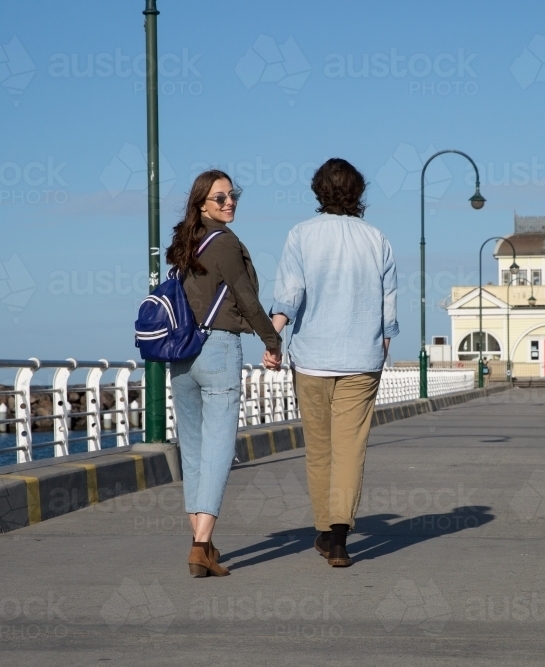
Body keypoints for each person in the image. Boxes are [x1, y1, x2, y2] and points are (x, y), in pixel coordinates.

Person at [269, 158, 397, 567]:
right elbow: (387, 303)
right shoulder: (377, 239)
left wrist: (273, 335)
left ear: (317, 190)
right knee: (350, 449)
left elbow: (291, 293)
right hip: (362, 357)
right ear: (358, 192)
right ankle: (339, 539)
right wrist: (384, 342)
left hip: (312, 358)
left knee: (319, 449)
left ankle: (324, 530)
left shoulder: (301, 235)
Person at [166, 169, 283, 577]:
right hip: (217, 349)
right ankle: (200, 546)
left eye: (233, 195)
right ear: (202, 204)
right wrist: (273, 342)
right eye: (220, 198)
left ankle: (204, 543)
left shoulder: (184, 242)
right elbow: (247, 301)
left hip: (180, 354)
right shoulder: (226, 243)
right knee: (217, 451)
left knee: (194, 453)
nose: (229, 202)